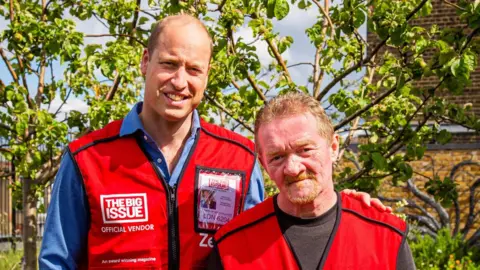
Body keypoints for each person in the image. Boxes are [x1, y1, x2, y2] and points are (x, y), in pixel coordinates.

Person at [39, 14, 390, 269]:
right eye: (168, 63)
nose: (179, 81)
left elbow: (272, 233)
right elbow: (57, 263)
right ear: (145, 62)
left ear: (206, 76)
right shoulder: (87, 159)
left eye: (193, 69)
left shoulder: (239, 158)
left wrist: (343, 202)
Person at [210, 92, 416, 269]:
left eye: (305, 150)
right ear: (264, 164)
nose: (292, 168)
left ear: (333, 148)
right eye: (277, 157)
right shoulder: (233, 245)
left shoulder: (385, 236)